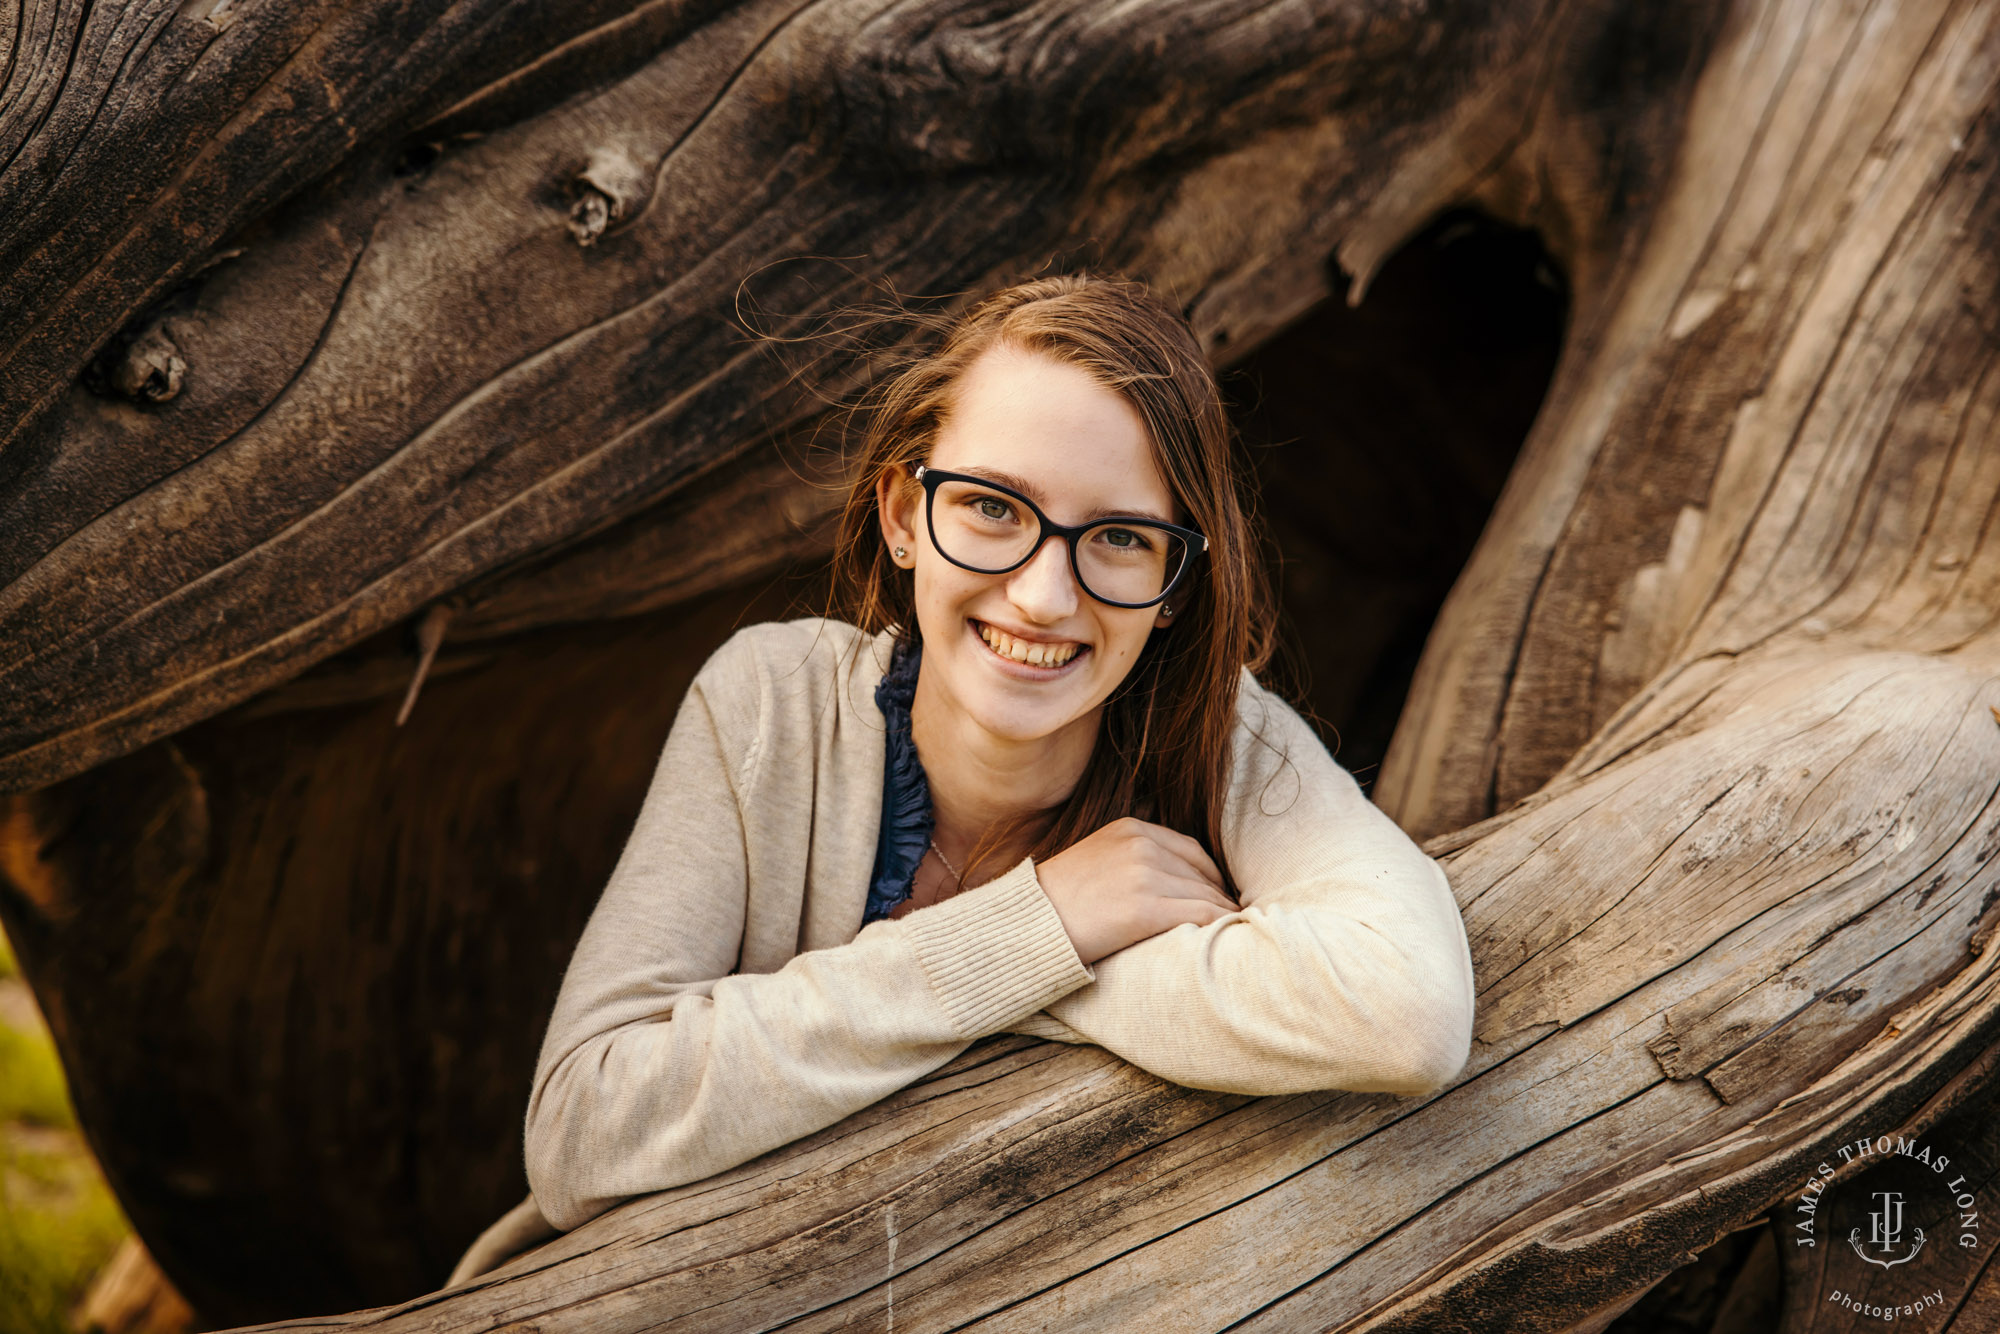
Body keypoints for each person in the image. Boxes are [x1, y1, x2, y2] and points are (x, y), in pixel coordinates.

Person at [445, 274, 1477, 1285]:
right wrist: (1036, 927)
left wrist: (1017, 969)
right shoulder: (774, 699)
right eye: (991, 506)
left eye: (1118, 537)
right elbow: (581, 1128)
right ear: (901, 509)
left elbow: (1406, 1009)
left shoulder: (1218, 730)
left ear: (1175, 586)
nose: (1039, 594)